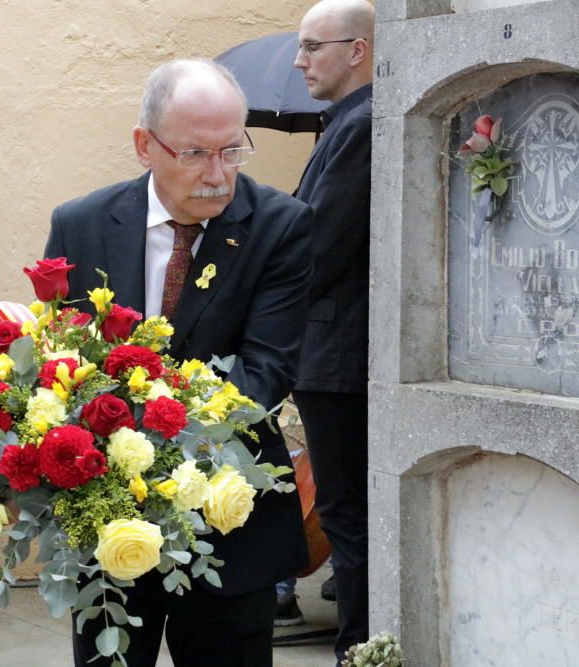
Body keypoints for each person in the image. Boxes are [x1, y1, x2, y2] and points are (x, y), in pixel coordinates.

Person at [45, 58, 313, 667]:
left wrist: (152, 445)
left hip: (226, 517)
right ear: (145, 145)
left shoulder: (280, 227)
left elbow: (266, 371)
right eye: (195, 153)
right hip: (107, 514)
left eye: (231, 151)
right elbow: (62, 363)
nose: (217, 175)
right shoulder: (81, 224)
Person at [290, 0, 375, 661]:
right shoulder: (344, 122)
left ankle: (361, 646)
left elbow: (319, 244)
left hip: (339, 352)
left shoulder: (364, 123)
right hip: (331, 348)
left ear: (357, 50)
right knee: (345, 512)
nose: (300, 60)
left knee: (346, 513)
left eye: (313, 46)